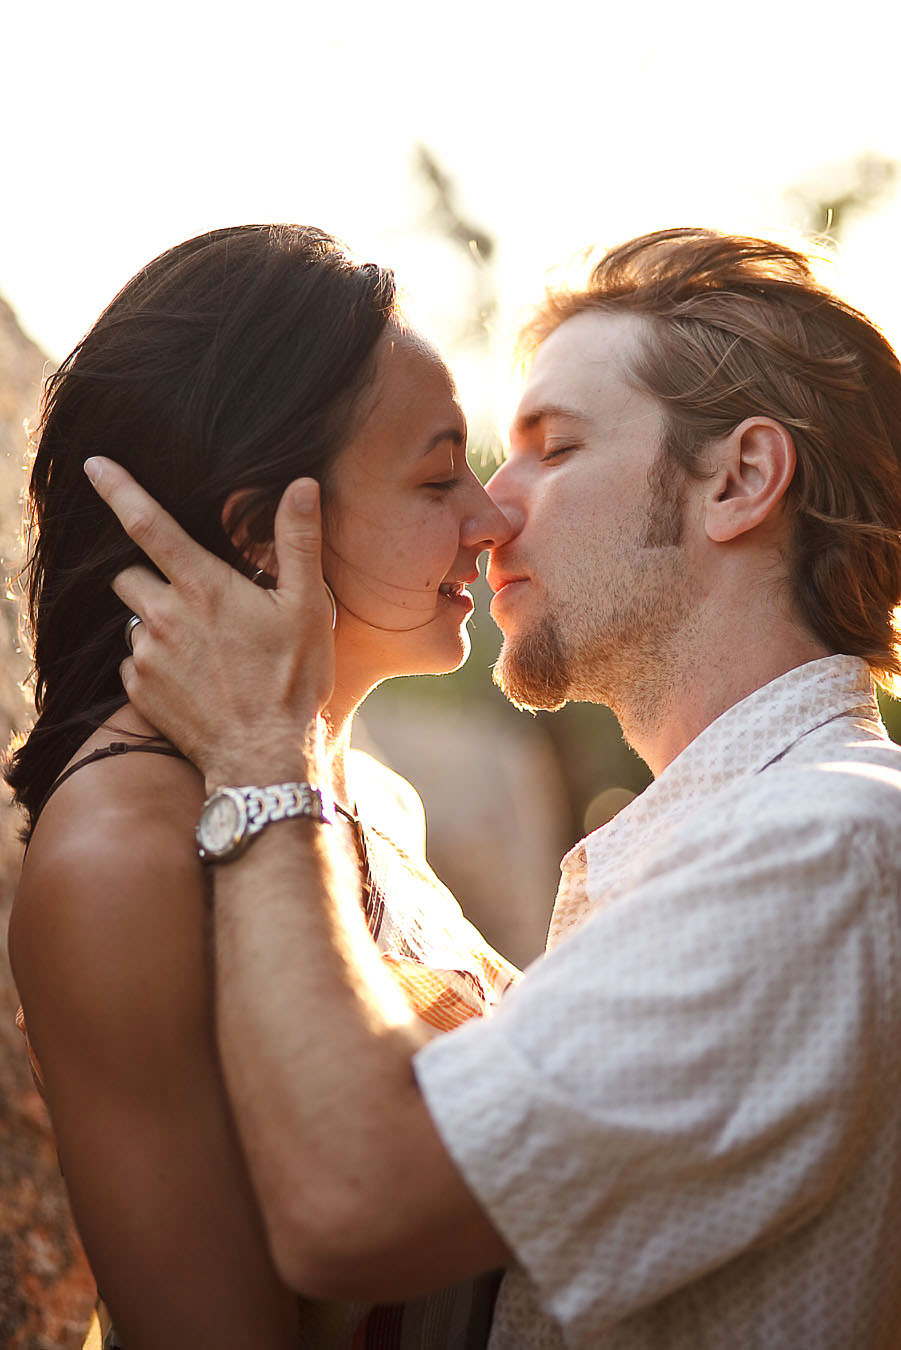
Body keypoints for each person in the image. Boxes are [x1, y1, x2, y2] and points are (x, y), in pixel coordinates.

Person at [87, 227, 901, 1349]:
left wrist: (260, 761)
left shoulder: (819, 849)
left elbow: (352, 1208)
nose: (494, 512)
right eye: (461, 467)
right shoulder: (730, 838)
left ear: (740, 480)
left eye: (553, 449)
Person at [6, 223, 521, 1349]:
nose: (491, 522)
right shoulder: (123, 860)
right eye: (439, 477)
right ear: (258, 540)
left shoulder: (373, 797)